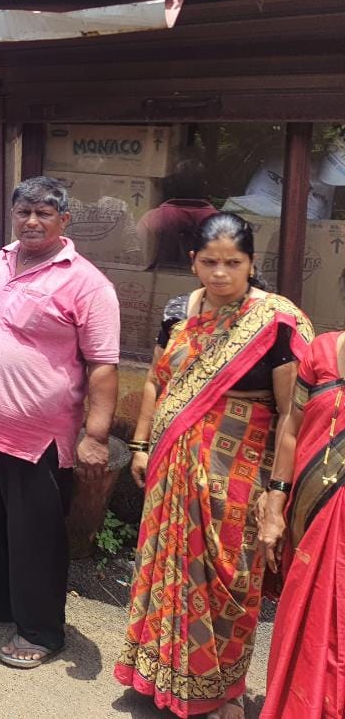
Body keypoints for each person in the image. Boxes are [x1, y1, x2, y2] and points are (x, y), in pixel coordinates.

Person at [116, 212, 311, 718]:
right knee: (167, 570)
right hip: (172, 464)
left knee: (230, 579)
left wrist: (277, 494)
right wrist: (140, 443)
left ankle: (221, 690)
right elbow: (157, 380)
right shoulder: (178, 312)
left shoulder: (276, 323)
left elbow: (292, 413)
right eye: (210, 262)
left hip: (239, 473)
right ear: (193, 262)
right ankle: (162, 675)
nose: (220, 273)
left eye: (233, 263)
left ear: (252, 263)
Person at [0, 176, 118, 670]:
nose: (32, 221)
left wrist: (96, 435)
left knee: (35, 536)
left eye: (44, 213)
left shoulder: (86, 283)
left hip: (35, 437)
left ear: (64, 220)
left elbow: (103, 365)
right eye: (24, 212)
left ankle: (42, 629)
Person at [257, 329, 345, 719]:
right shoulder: (321, 351)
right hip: (309, 516)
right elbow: (291, 429)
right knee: (305, 630)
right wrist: (275, 504)